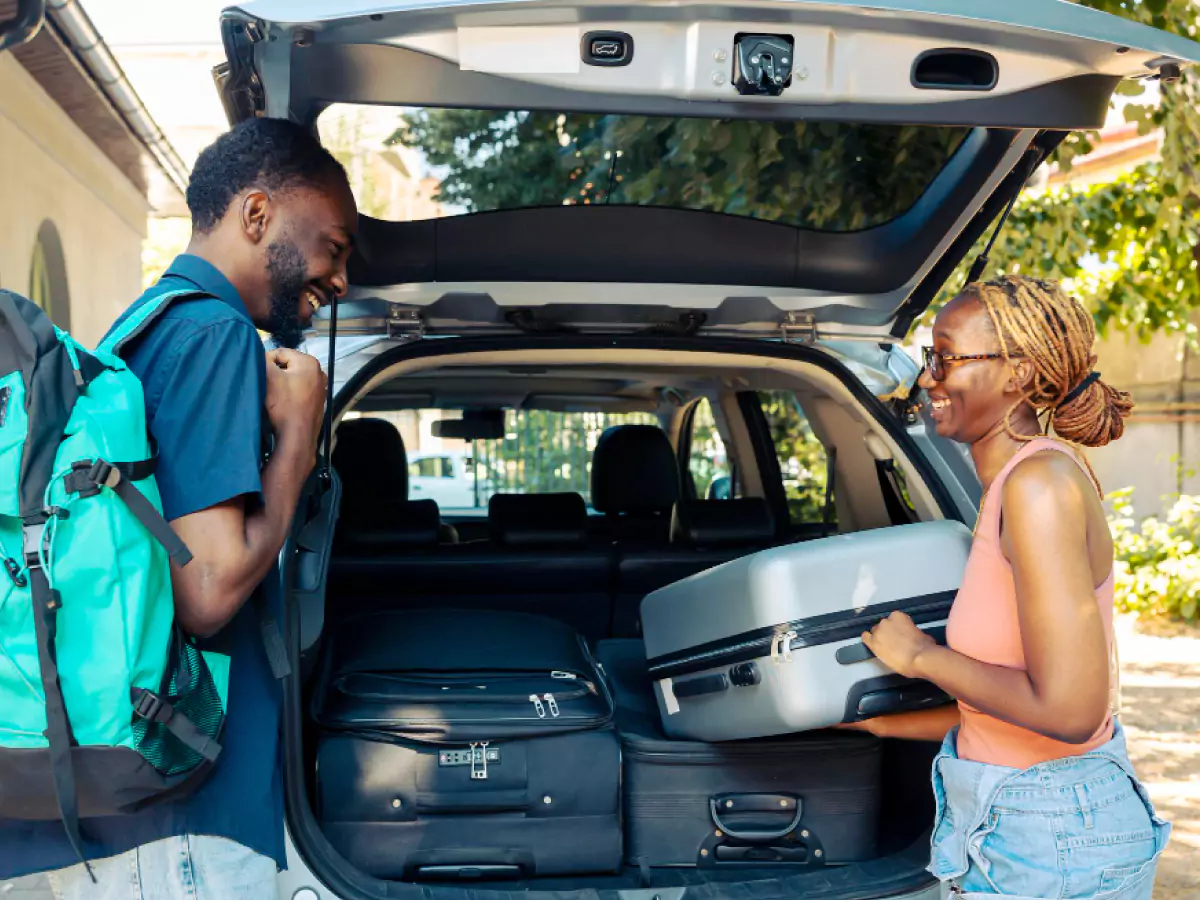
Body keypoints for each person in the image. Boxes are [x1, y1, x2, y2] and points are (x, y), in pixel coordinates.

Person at [0, 117, 358, 898]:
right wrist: (298, 435)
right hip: (185, 817)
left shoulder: (142, 323)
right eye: (334, 247)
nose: (339, 280)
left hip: (115, 802)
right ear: (256, 214)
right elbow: (207, 590)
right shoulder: (215, 335)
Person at [844, 275, 1169, 898]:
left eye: (945, 357)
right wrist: (876, 726)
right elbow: (1007, 707)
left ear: (1017, 372)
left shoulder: (1038, 487)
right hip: (1023, 823)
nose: (928, 378)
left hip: (1055, 840)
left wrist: (920, 656)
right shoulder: (1010, 488)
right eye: (927, 358)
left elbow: (1071, 714)